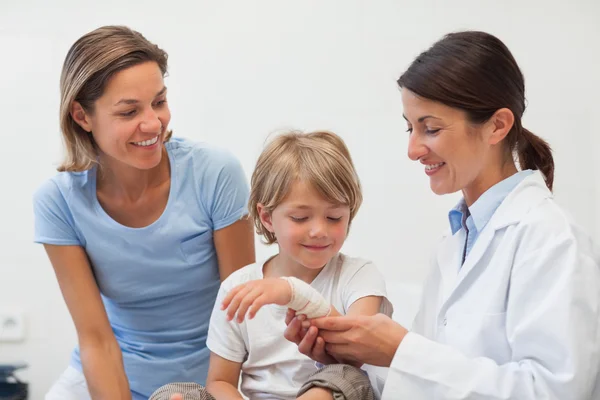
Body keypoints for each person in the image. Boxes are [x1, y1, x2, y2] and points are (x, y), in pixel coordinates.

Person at [285, 31, 600, 399]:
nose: (413, 149)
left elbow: (556, 391)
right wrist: (353, 354)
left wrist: (402, 351)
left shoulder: (551, 240)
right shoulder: (455, 243)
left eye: (430, 128)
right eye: (410, 127)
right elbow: (427, 381)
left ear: (497, 125)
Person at [33, 25, 255, 400]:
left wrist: (212, 392)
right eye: (129, 111)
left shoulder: (215, 173)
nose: (153, 123)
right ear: (82, 116)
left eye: (159, 101)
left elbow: (241, 315)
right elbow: (96, 340)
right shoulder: (59, 202)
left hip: (214, 376)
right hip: (110, 374)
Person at [150, 130, 393, 400]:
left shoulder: (359, 276)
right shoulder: (239, 287)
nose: (319, 230)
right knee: (172, 393)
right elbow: (220, 381)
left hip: (331, 393)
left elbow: (358, 350)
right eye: (301, 218)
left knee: (343, 376)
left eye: (334, 217)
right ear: (266, 217)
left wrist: (293, 293)